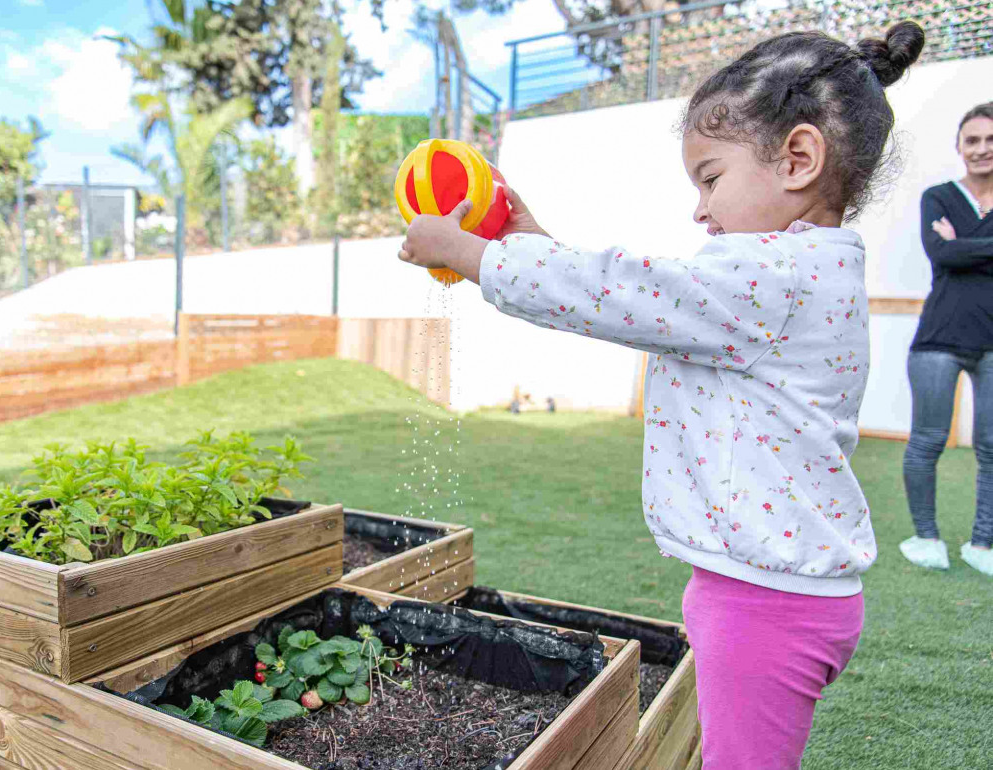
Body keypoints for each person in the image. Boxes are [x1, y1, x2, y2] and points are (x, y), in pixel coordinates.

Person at [397, 20, 924, 769]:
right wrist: (527, 241)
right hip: (766, 592)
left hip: (764, 604)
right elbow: (636, 298)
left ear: (798, 159)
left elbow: (617, 292)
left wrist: (472, 254)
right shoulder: (798, 274)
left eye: (711, 178)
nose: (700, 210)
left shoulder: (773, 277)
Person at [900, 103, 993, 577]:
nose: (981, 149)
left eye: (991, 140)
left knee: (992, 446)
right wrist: (953, 249)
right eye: (972, 140)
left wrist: (961, 246)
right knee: (928, 440)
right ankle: (926, 538)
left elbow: (955, 251)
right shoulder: (937, 196)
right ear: (959, 146)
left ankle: (983, 543)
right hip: (938, 339)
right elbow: (941, 254)